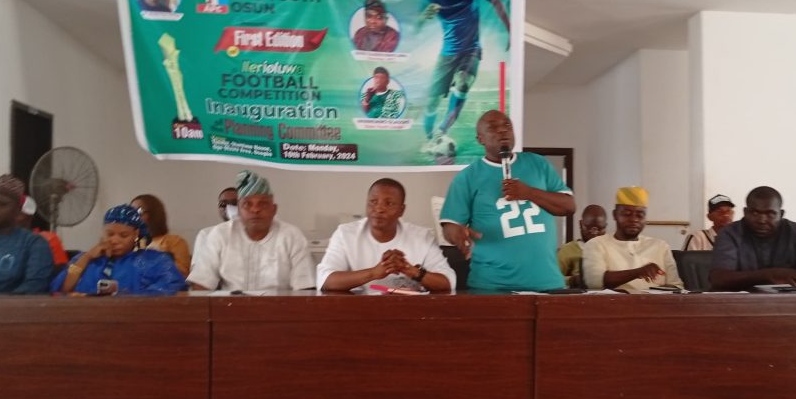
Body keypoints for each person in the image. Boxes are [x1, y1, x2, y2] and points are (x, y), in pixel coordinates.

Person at [439, 110, 575, 291]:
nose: (502, 130)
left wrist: (528, 192)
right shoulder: (467, 177)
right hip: (492, 287)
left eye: (507, 126)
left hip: (548, 282)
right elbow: (450, 226)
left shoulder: (538, 163)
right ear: (480, 139)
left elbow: (569, 206)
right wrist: (457, 234)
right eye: (493, 127)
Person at [317, 178, 454, 293]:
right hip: (359, 310)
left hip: (409, 310)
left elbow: (447, 282)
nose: (379, 209)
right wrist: (374, 273)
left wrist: (409, 270)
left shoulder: (422, 236)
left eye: (389, 203)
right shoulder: (345, 234)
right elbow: (325, 280)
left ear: (401, 210)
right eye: (373, 202)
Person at [188, 170, 314, 292]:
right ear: (239, 210)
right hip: (230, 305)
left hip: (280, 305)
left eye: (263, 204)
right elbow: (201, 284)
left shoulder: (291, 236)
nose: (255, 210)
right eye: (247, 204)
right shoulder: (220, 234)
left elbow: (305, 288)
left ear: (274, 209)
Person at [419, 0, 510, 154]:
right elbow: (417, 21)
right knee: (432, 102)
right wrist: (425, 14)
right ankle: (430, 139)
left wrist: (510, 29)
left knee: (463, 83)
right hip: (447, 55)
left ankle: (442, 131)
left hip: (471, 50)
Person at [709, 186, 796, 291]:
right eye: (755, 213)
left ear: (781, 214)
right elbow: (719, 279)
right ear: (745, 212)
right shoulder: (730, 233)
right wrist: (770, 275)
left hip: (790, 304)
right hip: (740, 305)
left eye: (770, 214)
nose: (762, 220)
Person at [51, 204, 186, 296]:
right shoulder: (85, 259)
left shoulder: (153, 260)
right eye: (109, 234)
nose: (114, 240)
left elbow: (173, 285)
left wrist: (128, 297)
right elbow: (63, 289)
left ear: (136, 234)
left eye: (123, 235)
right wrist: (86, 258)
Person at [582, 187, 682, 291]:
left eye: (640, 215)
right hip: (615, 301)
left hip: (656, 301)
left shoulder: (661, 246)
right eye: (627, 214)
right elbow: (594, 283)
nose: (634, 219)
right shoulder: (596, 244)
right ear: (615, 215)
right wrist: (637, 272)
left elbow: (676, 286)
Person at [131, 194, 191, 276]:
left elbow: (184, 274)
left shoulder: (175, 241)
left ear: (154, 214)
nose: (133, 217)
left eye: (138, 211)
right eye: (131, 212)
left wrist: (157, 258)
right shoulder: (128, 242)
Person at [556, 204, 607, 288]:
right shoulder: (568, 250)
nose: (594, 233)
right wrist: (572, 280)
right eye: (589, 228)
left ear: (605, 227)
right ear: (581, 224)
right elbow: (552, 278)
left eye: (599, 229)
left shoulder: (610, 248)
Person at [17, 194, 69, 269]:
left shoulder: (48, 239)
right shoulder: (3, 240)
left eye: (17, 212)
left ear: (29, 216)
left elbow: (61, 272)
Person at [192, 186, 238, 265]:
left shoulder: (254, 235)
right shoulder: (206, 234)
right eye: (223, 204)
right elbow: (197, 267)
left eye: (234, 203)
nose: (228, 207)